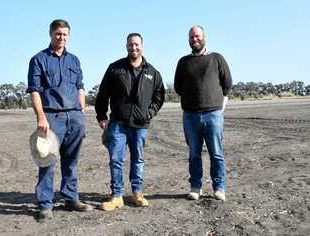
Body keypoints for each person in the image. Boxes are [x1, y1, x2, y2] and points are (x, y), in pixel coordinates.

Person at [27, 19, 92, 220]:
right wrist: (41, 117)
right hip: (52, 117)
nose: (61, 37)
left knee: (71, 161)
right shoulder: (39, 59)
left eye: (64, 34)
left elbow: (80, 85)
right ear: (50, 34)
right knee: (47, 160)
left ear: (68, 36)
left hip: (74, 116)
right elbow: (35, 91)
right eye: (58, 34)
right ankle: (45, 204)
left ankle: (70, 197)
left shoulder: (74, 60)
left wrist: (81, 109)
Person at [95, 33, 165, 211]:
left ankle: (137, 193)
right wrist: (102, 115)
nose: (134, 48)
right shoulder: (115, 68)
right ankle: (117, 196)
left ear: (142, 46)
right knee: (116, 160)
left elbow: (159, 96)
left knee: (138, 160)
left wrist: (150, 112)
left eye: (137, 45)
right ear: (126, 46)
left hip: (140, 125)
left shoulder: (152, 72)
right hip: (118, 123)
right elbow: (103, 93)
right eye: (130, 45)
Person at [174, 25, 232, 202]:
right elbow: (178, 87)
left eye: (197, 36)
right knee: (194, 154)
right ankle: (195, 187)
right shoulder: (183, 62)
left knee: (216, 153)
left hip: (213, 115)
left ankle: (219, 188)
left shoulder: (216, 58)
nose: (195, 40)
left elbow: (227, 83)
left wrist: (219, 105)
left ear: (204, 37)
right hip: (190, 116)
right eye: (192, 37)